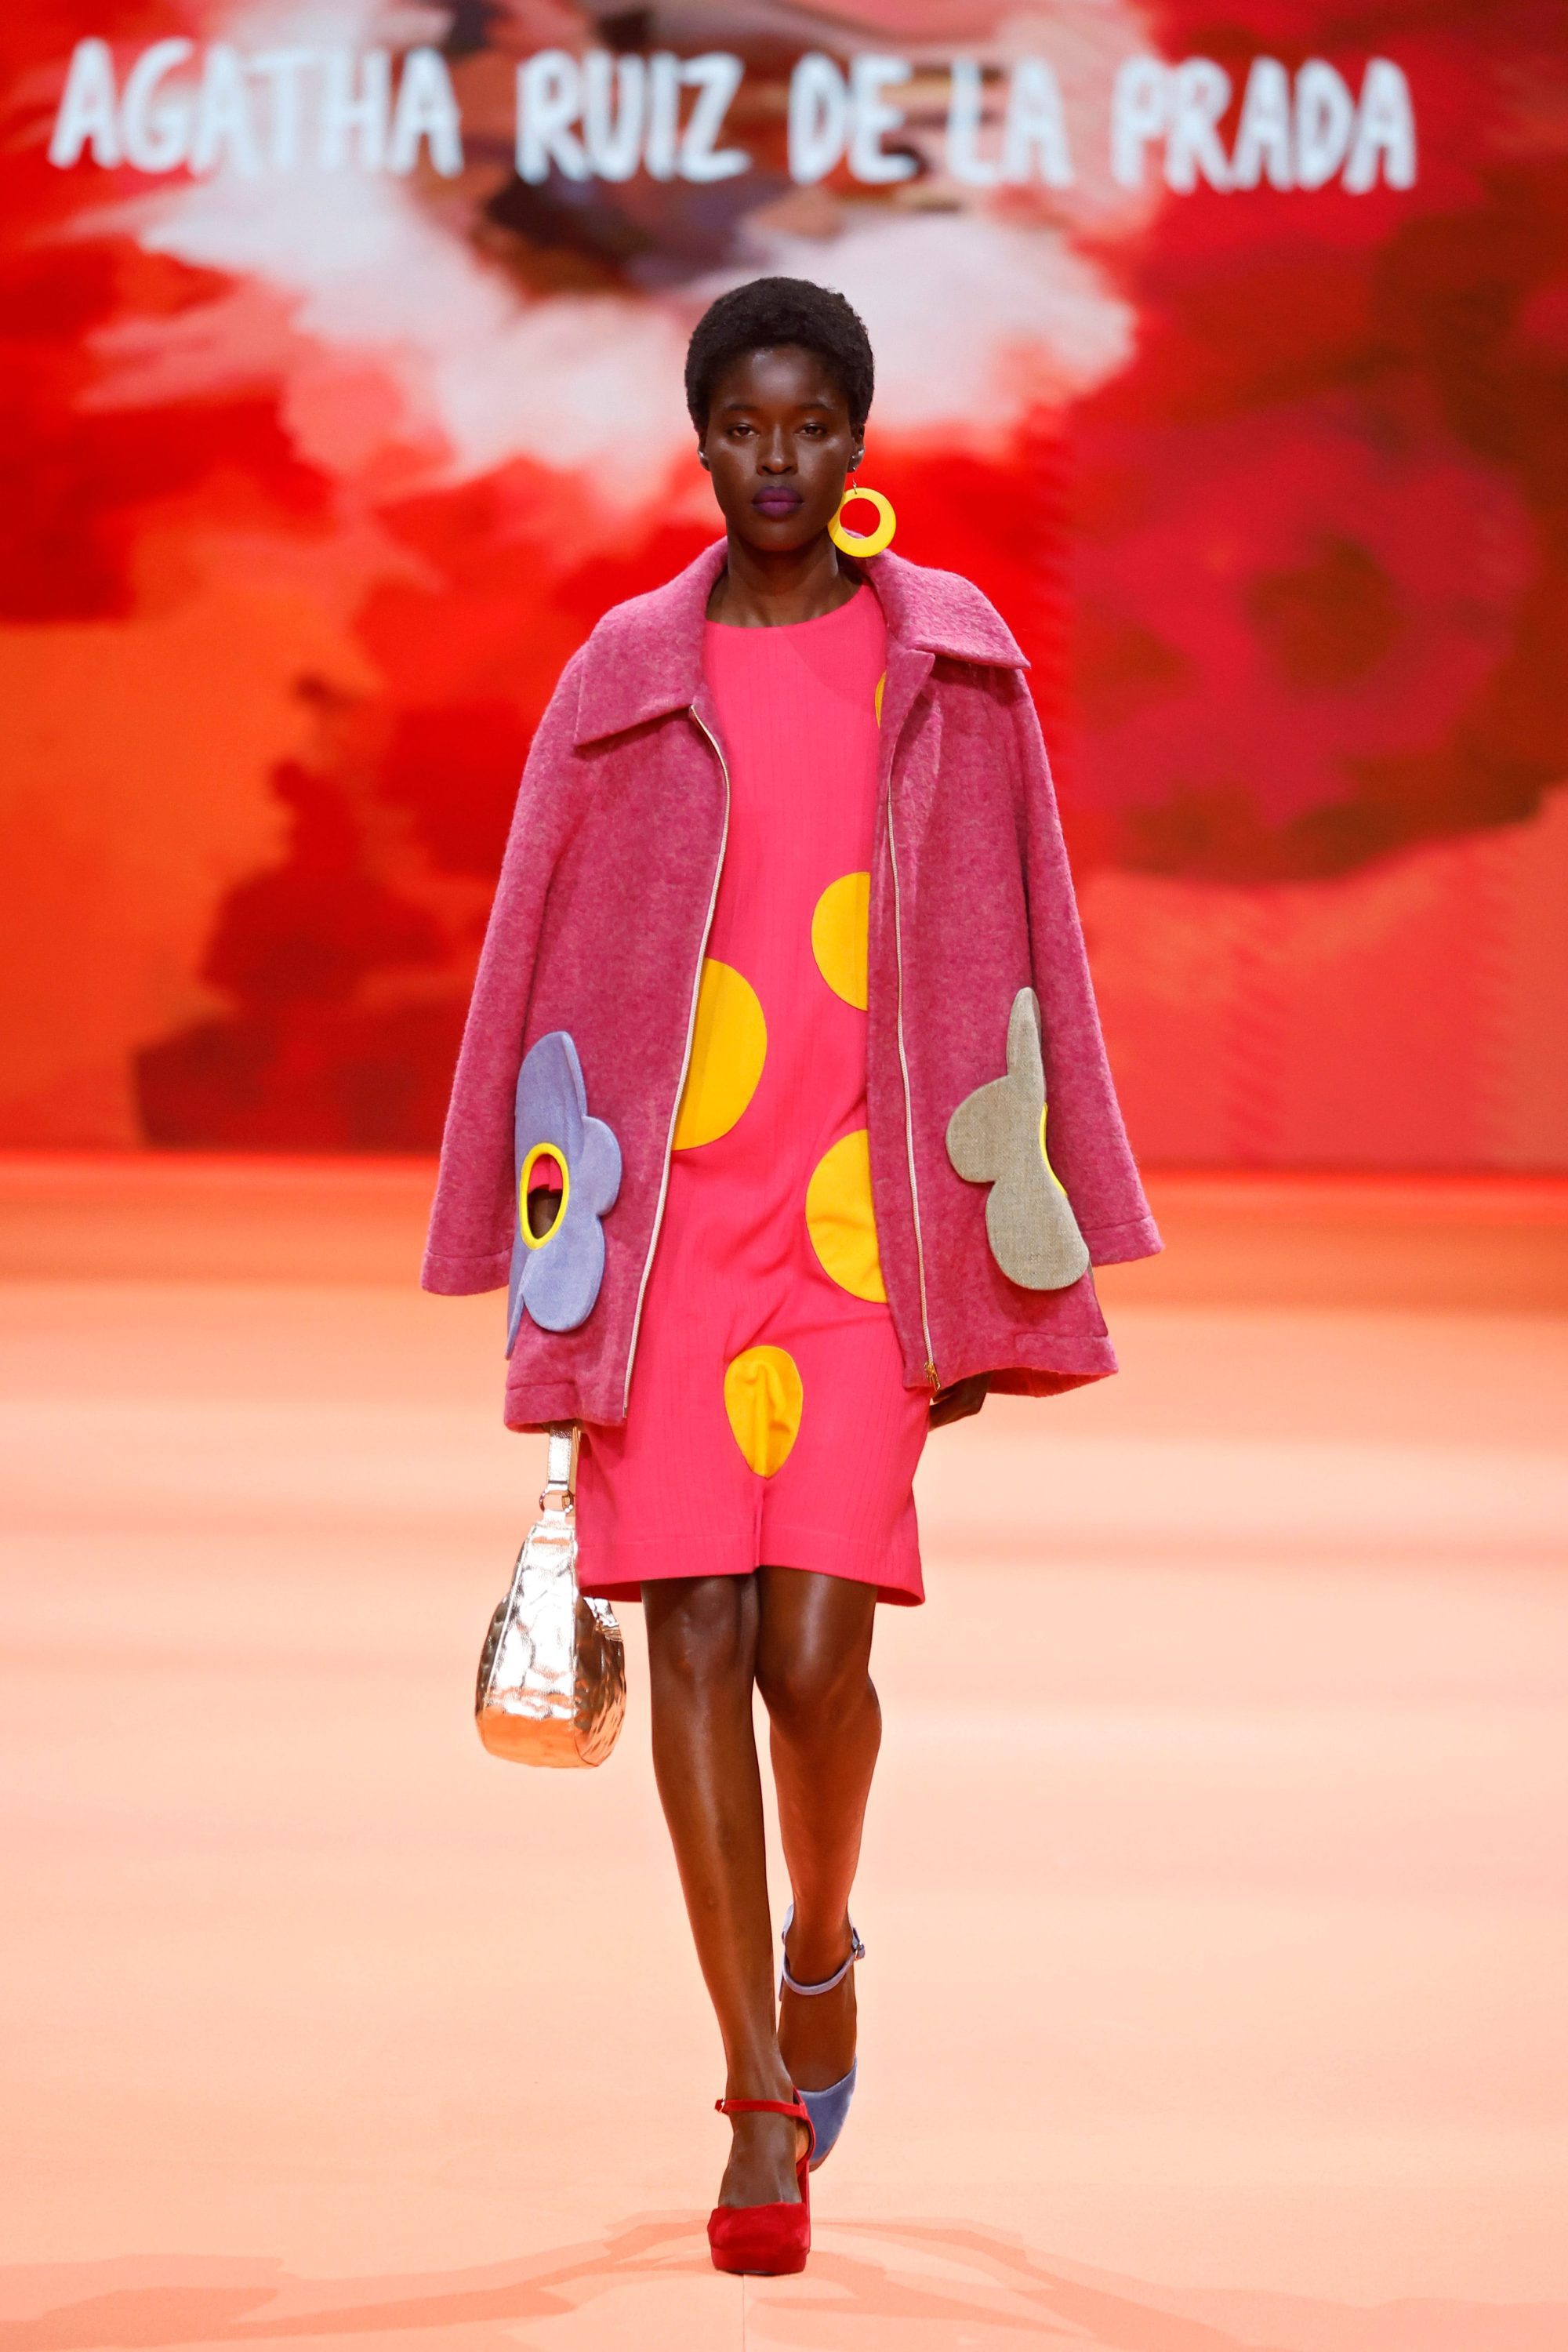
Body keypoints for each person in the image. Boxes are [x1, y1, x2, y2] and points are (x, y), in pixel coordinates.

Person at [422, 276, 1160, 2275]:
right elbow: (528, 945)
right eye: (743, 427)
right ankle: (753, 2094)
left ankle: (819, 1940)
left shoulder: (955, 659)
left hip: (859, 1225)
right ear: (699, 442)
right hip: (666, 1231)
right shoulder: (622, 669)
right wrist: (513, 1236)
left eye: (810, 424)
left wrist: (1019, 1233)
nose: (776, 459)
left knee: (818, 1658)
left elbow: (1033, 945)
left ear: (856, 440)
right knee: (694, 1632)